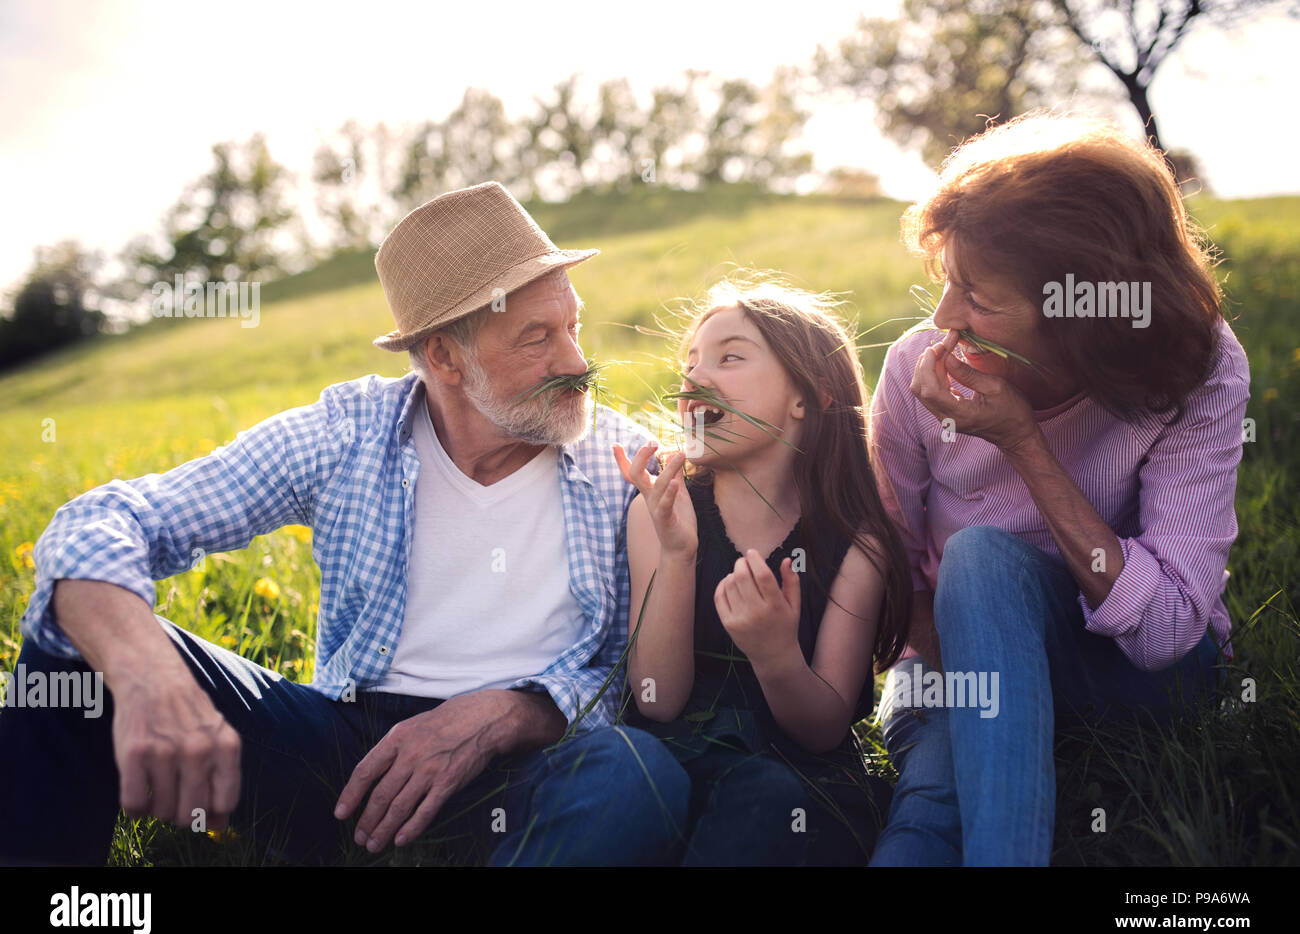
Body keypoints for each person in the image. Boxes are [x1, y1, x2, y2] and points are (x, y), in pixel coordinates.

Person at [0, 181, 690, 866]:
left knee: (635, 772)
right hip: (346, 764)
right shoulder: (346, 435)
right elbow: (103, 520)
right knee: (73, 656)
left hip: (531, 767)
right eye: (536, 338)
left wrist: (514, 712)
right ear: (446, 357)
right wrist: (144, 671)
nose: (575, 362)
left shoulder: (620, 464)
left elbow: (637, 682)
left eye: (572, 325)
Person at [865, 113, 1250, 866]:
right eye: (946, 285)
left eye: (976, 296)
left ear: (1082, 313)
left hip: (1142, 675)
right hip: (955, 663)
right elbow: (894, 567)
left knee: (980, 557)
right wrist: (991, 688)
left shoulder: (1196, 367)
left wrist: (1023, 446)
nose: (942, 320)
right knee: (928, 816)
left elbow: (1167, 631)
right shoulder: (918, 372)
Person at [612, 276, 913, 865]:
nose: (695, 378)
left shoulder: (856, 543)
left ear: (808, 396)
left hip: (798, 786)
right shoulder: (663, 513)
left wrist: (775, 654)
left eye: (730, 358)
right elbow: (658, 701)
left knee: (767, 797)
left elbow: (824, 727)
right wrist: (678, 558)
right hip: (681, 763)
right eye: (690, 363)